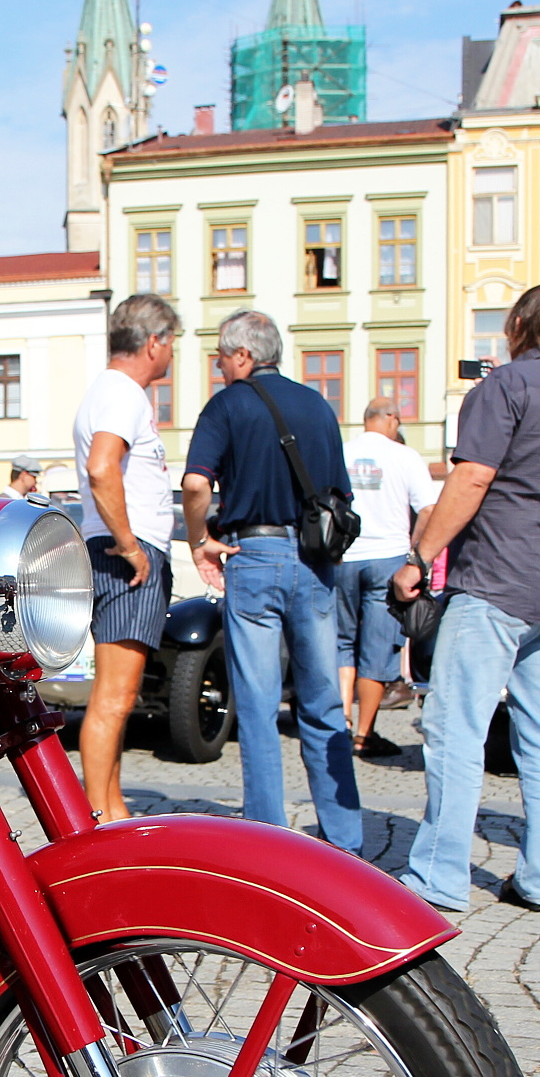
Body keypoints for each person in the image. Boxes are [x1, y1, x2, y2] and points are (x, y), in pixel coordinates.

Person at [392, 283, 540, 913]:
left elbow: (471, 478)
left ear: (518, 325)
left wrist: (420, 557)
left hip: (499, 577)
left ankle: (438, 877)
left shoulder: (507, 385)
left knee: (454, 727)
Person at [181, 309, 362, 852]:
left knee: (258, 705)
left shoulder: (228, 405)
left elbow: (196, 484)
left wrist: (198, 539)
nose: (219, 367)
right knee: (323, 700)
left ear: (243, 355)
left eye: (220, 357)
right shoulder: (318, 405)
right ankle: (345, 839)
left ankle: (268, 837)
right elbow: (341, 494)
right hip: (314, 561)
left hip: (254, 554)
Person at [74, 293, 179, 820]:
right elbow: (102, 467)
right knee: (114, 696)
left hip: (118, 549)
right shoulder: (122, 392)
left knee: (117, 695)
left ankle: (111, 809)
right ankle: (98, 816)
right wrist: (132, 546)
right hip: (123, 555)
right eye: (172, 343)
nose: (173, 354)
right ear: (154, 342)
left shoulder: (113, 391)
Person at [338, 397, 437, 758]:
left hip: (344, 557)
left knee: (341, 642)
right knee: (378, 648)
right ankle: (364, 735)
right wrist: (414, 550)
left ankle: (340, 725)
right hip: (388, 558)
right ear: (392, 419)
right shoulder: (405, 456)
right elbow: (428, 509)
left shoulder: (342, 452)